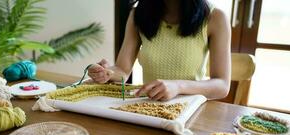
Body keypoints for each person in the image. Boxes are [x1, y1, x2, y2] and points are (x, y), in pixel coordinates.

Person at [88, 0, 231, 101]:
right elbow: (122, 71)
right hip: (148, 107)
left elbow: (222, 85)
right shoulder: (138, 14)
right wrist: (107, 73)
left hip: (189, 111)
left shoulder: (215, 18)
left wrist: (178, 86)